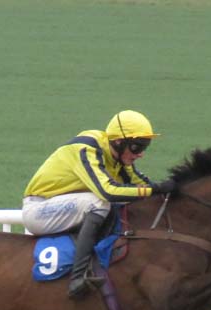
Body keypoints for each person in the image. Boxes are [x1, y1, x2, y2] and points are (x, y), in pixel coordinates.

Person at [22, 110, 177, 299]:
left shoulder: (118, 158)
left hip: (64, 208)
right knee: (99, 202)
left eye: (146, 146)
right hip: (39, 210)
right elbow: (108, 191)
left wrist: (175, 188)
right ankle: (77, 278)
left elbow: (143, 185)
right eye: (137, 146)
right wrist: (154, 190)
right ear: (119, 142)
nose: (141, 154)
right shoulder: (86, 148)